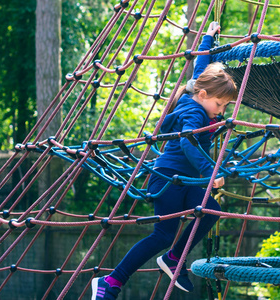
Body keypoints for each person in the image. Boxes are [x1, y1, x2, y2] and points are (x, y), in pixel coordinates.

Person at [91, 22, 238, 299]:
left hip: (186, 177)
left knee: (210, 210)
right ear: (203, 96)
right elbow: (188, 141)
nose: (221, 111)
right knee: (162, 235)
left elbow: (200, 68)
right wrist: (210, 171)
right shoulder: (194, 113)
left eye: (225, 107)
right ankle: (111, 281)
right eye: (219, 105)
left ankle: (174, 259)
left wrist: (207, 38)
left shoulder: (196, 92)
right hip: (170, 177)